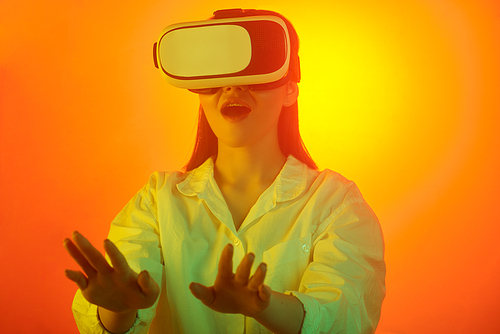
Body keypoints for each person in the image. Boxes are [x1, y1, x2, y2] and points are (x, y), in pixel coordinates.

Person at [64, 8, 386, 334]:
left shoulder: (336, 206)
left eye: (255, 66)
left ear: (289, 88)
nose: (232, 86)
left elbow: (345, 317)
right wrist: (119, 307)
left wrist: (266, 306)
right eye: (216, 70)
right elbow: (121, 307)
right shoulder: (156, 203)